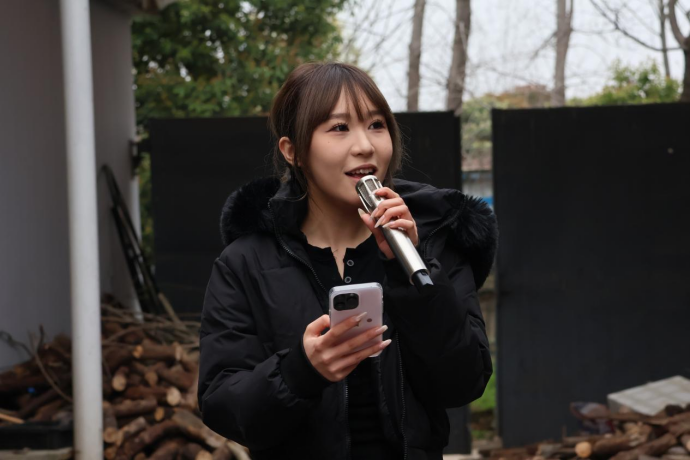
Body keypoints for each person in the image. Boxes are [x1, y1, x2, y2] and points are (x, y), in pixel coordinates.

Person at [198, 62, 498, 460]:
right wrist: (302, 371)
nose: (365, 145)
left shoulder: (431, 245)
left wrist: (413, 273)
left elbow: (464, 383)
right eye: (339, 127)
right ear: (293, 151)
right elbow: (223, 405)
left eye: (376, 125)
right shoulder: (245, 262)